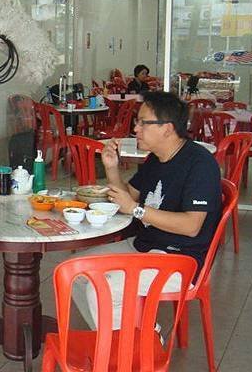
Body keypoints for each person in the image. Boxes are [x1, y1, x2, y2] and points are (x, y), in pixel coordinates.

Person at [71, 91, 221, 330]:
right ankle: (130, 341)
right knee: (75, 273)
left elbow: (191, 226)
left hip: (180, 260)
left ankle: (136, 346)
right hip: (144, 246)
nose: (135, 128)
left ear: (167, 128)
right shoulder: (155, 159)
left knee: (103, 285)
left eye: (143, 122)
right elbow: (127, 200)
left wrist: (137, 210)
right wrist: (111, 168)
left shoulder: (199, 164)